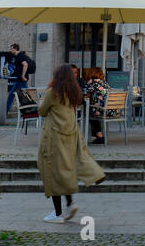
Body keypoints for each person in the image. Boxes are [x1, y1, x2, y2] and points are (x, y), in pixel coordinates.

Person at [37, 64, 105, 223]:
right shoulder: (74, 93)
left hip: (54, 137)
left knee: (52, 172)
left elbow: (42, 111)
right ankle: (69, 203)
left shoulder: (52, 93)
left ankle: (57, 213)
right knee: (65, 171)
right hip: (70, 136)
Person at [84, 66, 111, 144]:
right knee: (92, 111)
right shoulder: (104, 82)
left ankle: (99, 136)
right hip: (111, 110)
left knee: (88, 113)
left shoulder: (92, 82)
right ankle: (97, 135)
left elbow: (84, 93)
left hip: (101, 111)